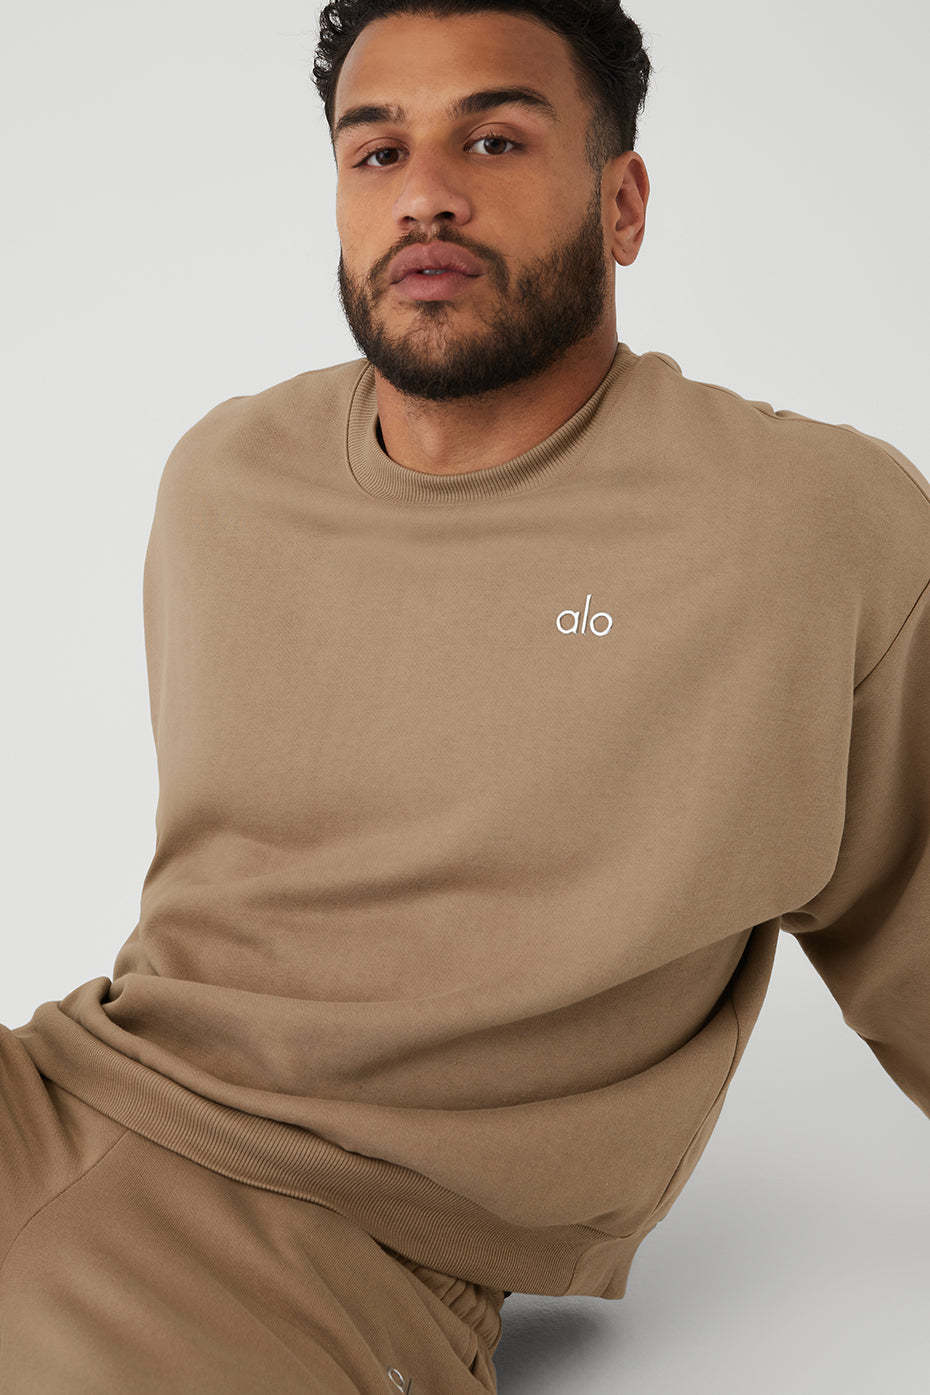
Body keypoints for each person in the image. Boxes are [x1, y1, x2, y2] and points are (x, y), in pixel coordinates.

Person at [3, 2, 928, 1391]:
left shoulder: (799, 525)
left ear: (622, 203)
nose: (423, 192)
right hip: (62, 1089)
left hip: (347, 1249)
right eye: (376, 152)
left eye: (492, 140)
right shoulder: (228, 477)